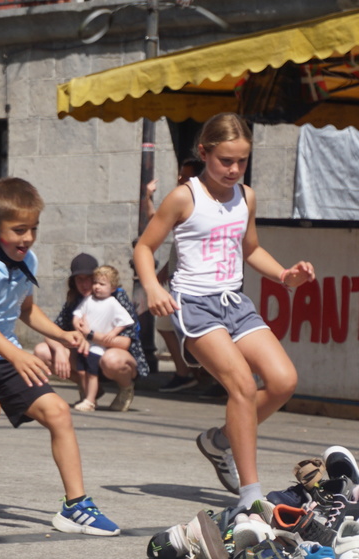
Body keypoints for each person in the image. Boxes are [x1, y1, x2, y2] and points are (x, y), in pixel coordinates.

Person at [134, 112, 316, 506]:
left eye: (242, 161)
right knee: (243, 386)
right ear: (204, 153)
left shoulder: (246, 197)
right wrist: (152, 286)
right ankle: (251, 496)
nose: (234, 169)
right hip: (195, 305)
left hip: (235, 302)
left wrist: (285, 275)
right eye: (225, 160)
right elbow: (144, 247)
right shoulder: (184, 196)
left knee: (283, 381)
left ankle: (219, 441)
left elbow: (251, 249)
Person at [0, 177, 120, 536]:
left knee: (58, 411)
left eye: (33, 228)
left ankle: (76, 506)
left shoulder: (25, 258)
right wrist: (18, 355)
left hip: (2, 352)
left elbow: (25, 308)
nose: (28, 238)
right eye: (19, 230)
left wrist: (61, 334)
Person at [32, 252, 147, 412]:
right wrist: (59, 350)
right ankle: (90, 389)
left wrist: (90, 335)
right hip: (86, 356)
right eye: (79, 279)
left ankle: (126, 388)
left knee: (111, 360)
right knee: (42, 351)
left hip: (114, 356)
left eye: (89, 279)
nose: (85, 284)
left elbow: (124, 343)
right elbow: (53, 331)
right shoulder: (76, 300)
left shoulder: (116, 297)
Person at [151, 157, 204, 393]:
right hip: (177, 281)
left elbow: (156, 222)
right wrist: (165, 269)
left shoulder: (194, 203)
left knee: (187, 330)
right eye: (180, 175)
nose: (180, 179)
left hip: (192, 286)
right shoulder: (183, 200)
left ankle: (191, 374)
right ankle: (187, 372)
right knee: (167, 325)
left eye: (185, 175)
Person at [70, 264, 135, 412]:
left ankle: (90, 401)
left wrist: (113, 333)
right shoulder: (88, 300)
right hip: (84, 344)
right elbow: (77, 313)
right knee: (82, 372)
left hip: (98, 347)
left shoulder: (113, 303)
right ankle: (88, 396)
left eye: (102, 284)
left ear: (112, 288)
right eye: (95, 283)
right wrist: (76, 322)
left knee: (92, 373)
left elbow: (125, 320)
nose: (97, 287)